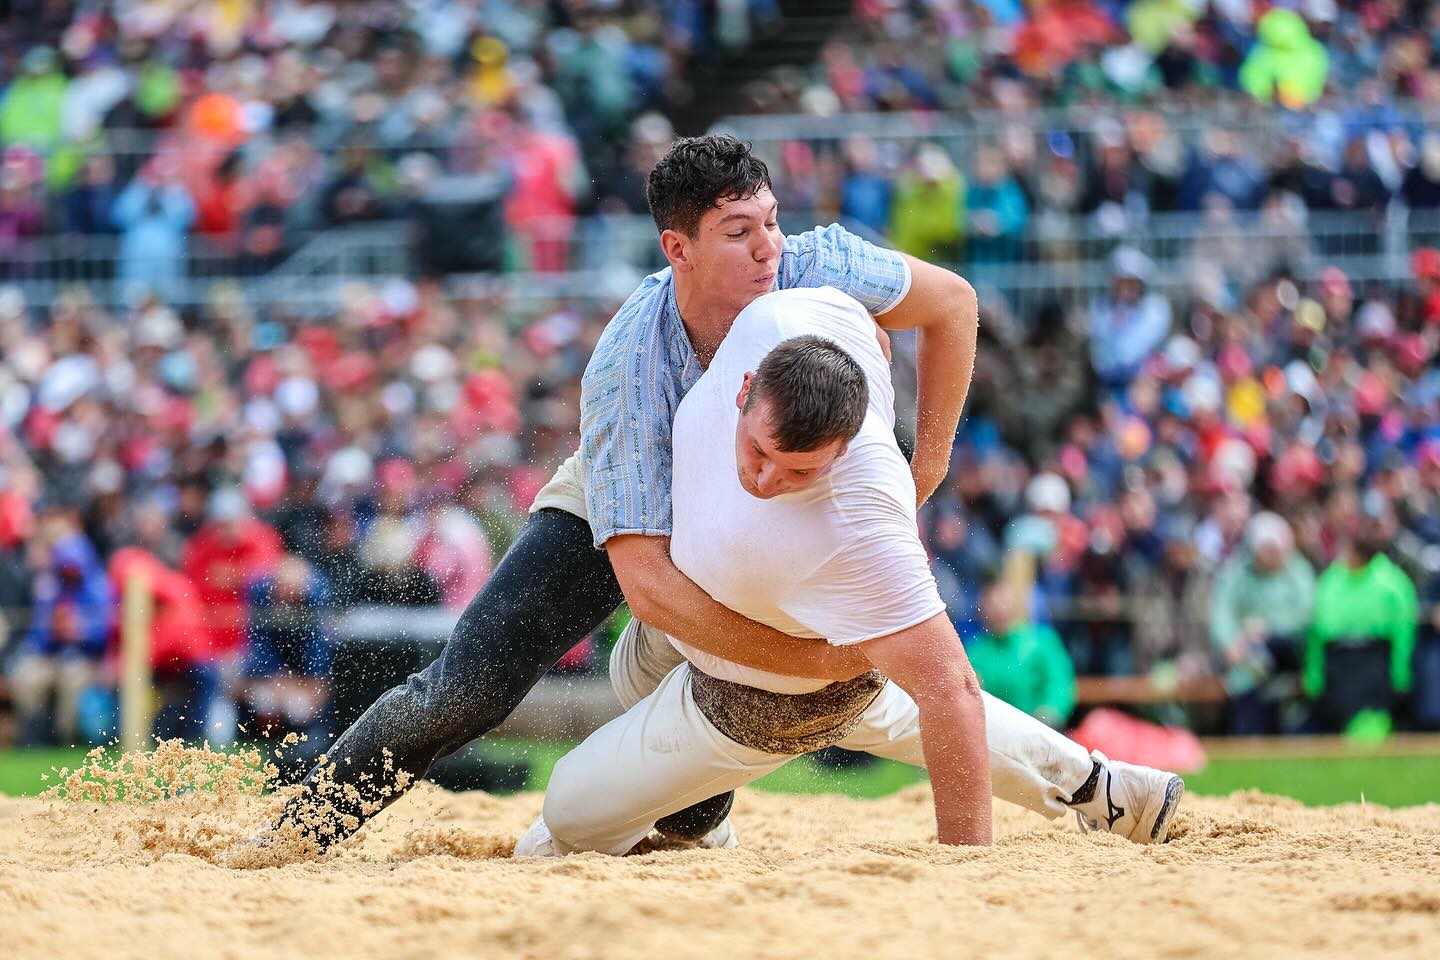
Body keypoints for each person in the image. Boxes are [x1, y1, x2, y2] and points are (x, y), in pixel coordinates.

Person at [265, 134, 980, 853]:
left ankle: (695, 818)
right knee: (466, 689)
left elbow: (952, 304)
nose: (768, 248)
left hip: (756, 480)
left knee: (687, 801)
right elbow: (651, 591)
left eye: (770, 220)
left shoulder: (810, 259)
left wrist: (927, 468)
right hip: (630, 500)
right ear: (678, 249)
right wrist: (803, 663)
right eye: (738, 233)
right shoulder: (631, 363)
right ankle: (300, 830)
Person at [513, 289, 1182, 858]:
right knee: (642, 666)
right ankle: (1102, 788)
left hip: (759, 701)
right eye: (759, 450)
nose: (766, 480)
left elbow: (951, 689)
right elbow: (901, 304)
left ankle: (702, 826)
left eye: (799, 471)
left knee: (566, 812)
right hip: (782, 648)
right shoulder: (782, 320)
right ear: (744, 387)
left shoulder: (861, 521)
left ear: (845, 447)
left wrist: (968, 863)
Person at [1305, 494, 1418, 732]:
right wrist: (1314, 679)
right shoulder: (1330, 582)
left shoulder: (1394, 583)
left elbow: (1404, 636)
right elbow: (1316, 636)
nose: (1371, 534)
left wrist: (1400, 678)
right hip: (1337, 671)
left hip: (1375, 669)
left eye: (1376, 527)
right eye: (1366, 526)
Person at [1209, 512, 1316, 735]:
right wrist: (1231, 643)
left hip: (1290, 652)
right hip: (1249, 657)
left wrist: (1264, 629)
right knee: (1253, 663)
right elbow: (1222, 614)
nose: (1271, 555)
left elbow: (1306, 615)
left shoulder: (1299, 572)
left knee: (1263, 653)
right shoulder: (1237, 573)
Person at [966, 578, 1077, 729]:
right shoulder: (976, 650)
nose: (999, 608)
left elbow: (1060, 684)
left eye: (1003, 601)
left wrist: (1050, 711)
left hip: (1037, 729)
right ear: (982, 607)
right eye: (992, 602)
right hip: (993, 730)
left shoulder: (1041, 641)